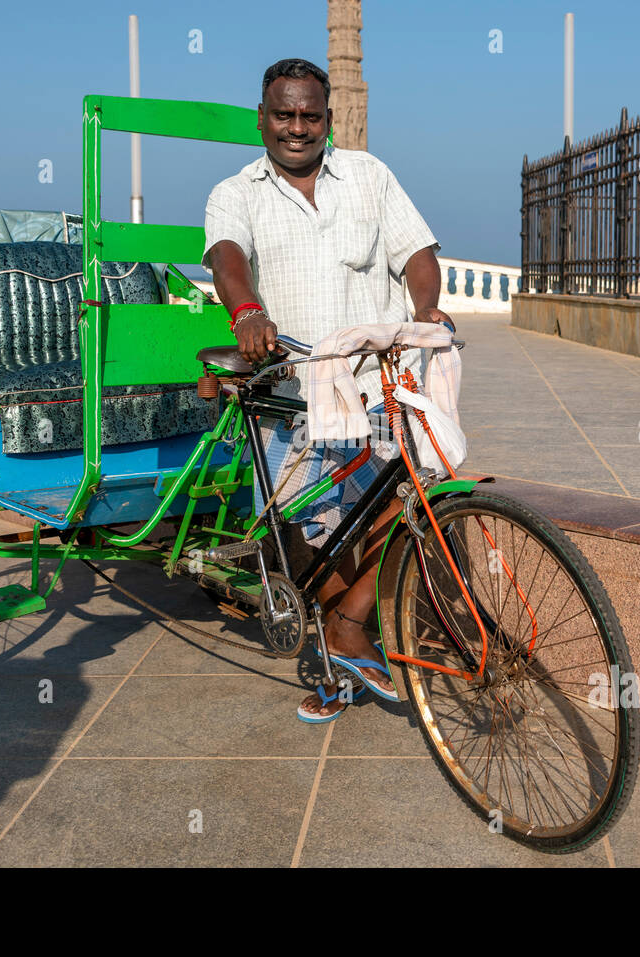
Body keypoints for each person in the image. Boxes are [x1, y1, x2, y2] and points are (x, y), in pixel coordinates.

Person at [203, 57, 452, 723]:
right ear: (263, 118)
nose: (297, 127)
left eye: (310, 115)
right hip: (293, 389)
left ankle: (349, 625)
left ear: (329, 120)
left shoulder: (369, 176)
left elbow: (417, 256)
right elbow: (227, 256)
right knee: (310, 536)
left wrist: (424, 309)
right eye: (283, 114)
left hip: (375, 384)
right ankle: (337, 659)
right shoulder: (237, 192)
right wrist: (247, 311)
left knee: (404, 505)